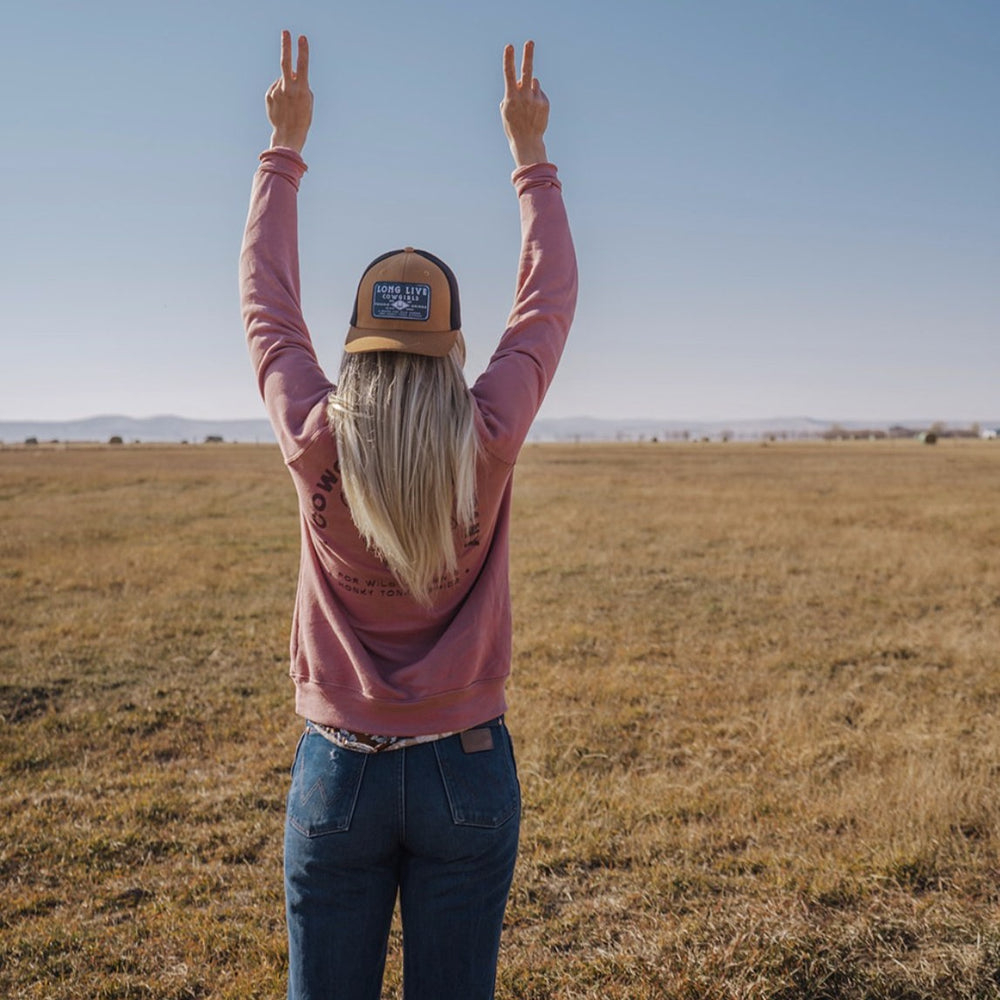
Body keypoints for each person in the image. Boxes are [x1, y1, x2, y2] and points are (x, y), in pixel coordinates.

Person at [240, 29, 577, 1000]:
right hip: (466, 771)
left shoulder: (314, 436)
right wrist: (531, 157)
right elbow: (547, 301)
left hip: (337, 770)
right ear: (452, 352)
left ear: (353, 349)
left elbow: (266, 304)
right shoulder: (489, 431)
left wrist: (284, 150)